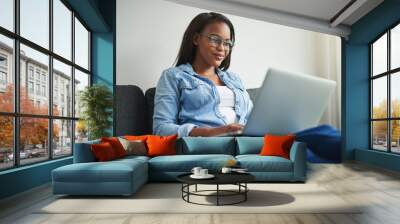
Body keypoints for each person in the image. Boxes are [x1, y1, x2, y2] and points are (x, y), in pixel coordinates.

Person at [153, 12, 253, 138]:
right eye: (215, 39)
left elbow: (253, 120)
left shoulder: (235, 79)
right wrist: (212, 132)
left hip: (244, 145)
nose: (222, 48)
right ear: (196, 39)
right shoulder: (174, 76)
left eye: (227, 43)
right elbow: (161, 129)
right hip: (206, 145)